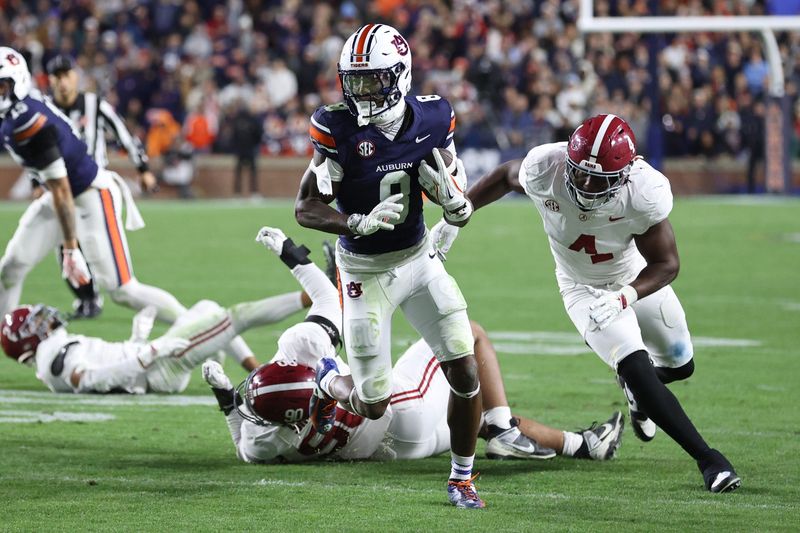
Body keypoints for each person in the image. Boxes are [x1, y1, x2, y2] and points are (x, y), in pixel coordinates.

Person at [435, 113, 741, 494]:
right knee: (638, 369)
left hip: (634, 280)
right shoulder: (546, 166)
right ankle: (709, 460)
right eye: (579, 172)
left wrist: (625, 296)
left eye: (599, 179)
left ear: (626, 174)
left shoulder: (643, 191)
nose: (584, 183)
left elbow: (667, 264)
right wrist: (457, 216)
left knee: (681, 366)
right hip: (581, 289)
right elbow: (503, 177)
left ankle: (637, 392)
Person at [293, 24, 483, 508]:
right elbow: (305, 208)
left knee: (464, 370)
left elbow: (451, 175)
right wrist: (353, 222)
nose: (360, 92)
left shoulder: (436, 116)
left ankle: (462, 478)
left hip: (419, 259)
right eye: (352, 81)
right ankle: (328, 379)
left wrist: (457, 210)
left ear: (400, 76)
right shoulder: (335, 126)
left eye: (372, 80)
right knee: (373, 403)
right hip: (363, 273)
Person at [202, 318, 624, 464]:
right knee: (467, 335)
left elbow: (244, 442)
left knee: (468, 420)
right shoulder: (308, 355)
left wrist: (227, 402)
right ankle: (503, 427)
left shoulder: (266, 440)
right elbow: (351, 388)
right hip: (399, 410)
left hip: (391, 450)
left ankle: (582, 445)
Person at [0, 229, 316, 392]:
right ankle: (313, 294)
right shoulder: (53, 358)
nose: (45, 319)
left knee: (208, 308)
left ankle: (255, 370)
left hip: (153, 363)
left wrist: (139, 337)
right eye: (36, 322)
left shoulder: (54, 352)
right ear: (26, 340)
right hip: (157, 369)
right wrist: (149, 352)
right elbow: (90, 379)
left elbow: (106, 360)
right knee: (234, 317)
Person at [0, 48, 185, 326]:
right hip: (59, 193)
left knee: (122, 290)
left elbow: (63, 184)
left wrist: (70, 249)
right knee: (11, 268)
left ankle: (197, 325)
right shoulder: (24, 109)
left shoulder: (31, 119)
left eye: (1, 86)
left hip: (89, 192)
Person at [46, 54, 157, 318]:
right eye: (57, 76)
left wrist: (143, 169)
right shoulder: (46, 109)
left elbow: (124, 136)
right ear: (50, 80)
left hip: (93, 187)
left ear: (76, 76)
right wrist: (37, 182)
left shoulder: (94, 105)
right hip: (61, 188)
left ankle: (128, 290)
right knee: (65, 247)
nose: (63, 82)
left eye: (67, 75)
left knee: (97, 248)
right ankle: (88, 299)